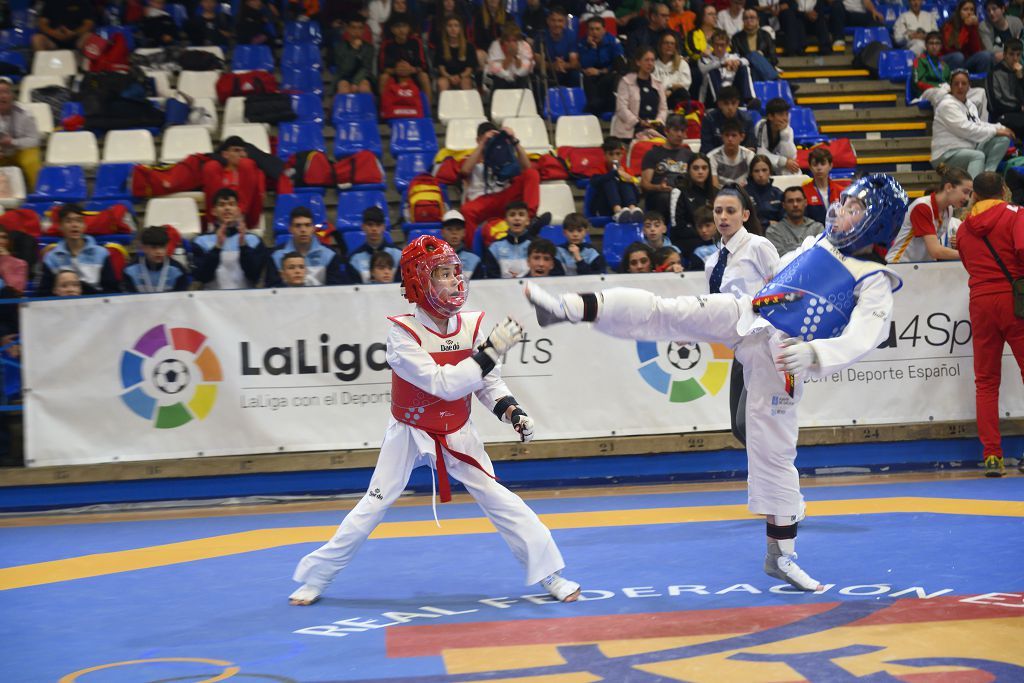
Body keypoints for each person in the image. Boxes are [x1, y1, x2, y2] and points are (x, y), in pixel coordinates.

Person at [525, 174, 910, 592]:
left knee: (775, 454)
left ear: (877, 223)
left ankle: (781, 557)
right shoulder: (817, 242)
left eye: (855, 209)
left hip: (782, 357)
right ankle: (566, 308)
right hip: (748, 311)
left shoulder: (873, 278)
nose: (842, 212)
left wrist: (818, 354)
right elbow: (786, 274)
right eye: (845, 204)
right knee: (666, 311)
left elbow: (866, 334)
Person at [289, 235, 581, 606]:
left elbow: (486, 382)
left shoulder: (472, 325)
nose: (454, 281)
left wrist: (511, 409)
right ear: (419, 281)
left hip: (459, 430)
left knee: (500, 499)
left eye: (455, 271)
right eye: (443, 273)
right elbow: (444, 384)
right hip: (409, 432)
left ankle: (550, 575)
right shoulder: (402, 334)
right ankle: (316, 577)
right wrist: (492, 351)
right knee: (374, 504)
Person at [955, 171, 1024, 477]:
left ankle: (992, 455)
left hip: (980, 302)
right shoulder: (1016, 214)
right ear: (1004, 190)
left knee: (986, 381)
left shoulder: (964, 226)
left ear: (976, 195)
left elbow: (968, 263)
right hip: (1014, 300)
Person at [704, 186, 778, 445]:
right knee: (739, 429)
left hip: (764, 345)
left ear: (745, 215)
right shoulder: (712, 262)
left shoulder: (758, 246)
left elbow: (782, 291)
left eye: (730, 211)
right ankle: (763, 481)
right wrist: (689, 333)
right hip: (739, 350)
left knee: (749, 423)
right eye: (718, 211)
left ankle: (776, 478)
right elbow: (713, 309)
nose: (723, 217)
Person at [460, 122, 540, 247]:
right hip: (482, 201)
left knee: (532, 174)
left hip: (505, 197)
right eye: (486, 138)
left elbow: (527, 167)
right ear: (477, 140)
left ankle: (529, 219)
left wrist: (514, 141)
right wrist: (483, 144)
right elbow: (465, 170)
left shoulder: (504, 153)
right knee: (466, 210)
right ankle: (472, 250)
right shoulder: (471, 157)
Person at [932, 70, 1014, 178]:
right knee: (978, 156)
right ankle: (974, 191)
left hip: (968, 148)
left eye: (964, 83)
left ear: (969, 86)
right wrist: (996, 131)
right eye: (956, 84)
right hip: (946, 154)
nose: (960, 86)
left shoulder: (970, 105)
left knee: (1003, 139)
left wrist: (1002, 128)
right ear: (951, 87)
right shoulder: (947, 105)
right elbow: (966, 129)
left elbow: (979, 124)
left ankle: (988, 175)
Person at [888, 165, 972, 263]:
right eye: (965, 192)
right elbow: (935, 251)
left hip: (922, 265)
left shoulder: (949, 209)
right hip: (900, 264)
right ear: (948, 187)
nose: (967, 198)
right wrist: (969, 255)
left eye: (969, 194)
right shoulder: (922, 207)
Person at [192, 189, 267, 290]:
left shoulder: (254, 240)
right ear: (213, 211)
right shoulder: (200, 241)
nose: (227, 208)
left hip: (246, 300)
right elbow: (203, 277)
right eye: (222, 205)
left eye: (232, 204)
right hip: (211, 302)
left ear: (238, 210)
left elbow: (255, 276)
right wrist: (217, 247)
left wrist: (243, 246)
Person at [38, 203, 119, 296]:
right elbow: (43, 294)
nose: (74, 225)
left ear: (84, 225)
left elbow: (112, 291)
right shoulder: (51, 258)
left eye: (79, 221)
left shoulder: (101, 254)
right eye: (68, 221)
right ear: (60, 226)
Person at [267, 207, 347, 287]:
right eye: (298, 226)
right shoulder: (276, 256)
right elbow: (272, 289)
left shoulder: (330, 255)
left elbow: (335, 289)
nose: (303, 230)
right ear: (290, 229)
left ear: (313, 228)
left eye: (307, 225)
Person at [202, 136, 266, 231]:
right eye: (236, 150)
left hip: (246, 216)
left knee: (247, 164)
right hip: (218, 215)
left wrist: (238, 210)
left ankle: (238, 213)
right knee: (211, 166)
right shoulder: (218, 173)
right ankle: (219, 219)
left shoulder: (256, 172)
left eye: (244, 151)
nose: (242, 154)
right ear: (225, 154)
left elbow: (261, 197)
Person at [640, 114, 694, 218]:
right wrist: (659, 187)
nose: (679, 134)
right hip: (660, 196)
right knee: (665, 198)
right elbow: (645, 184)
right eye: (676, 130)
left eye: (682, 131)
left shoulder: (689, 155)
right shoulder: (653, 154)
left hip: (683, 195)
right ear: (666, 131)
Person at [611, 47, 668, 140]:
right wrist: (638, 122)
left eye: (652, 60)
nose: (650, 63)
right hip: (631, 130)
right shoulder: (626, 81)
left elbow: (663, 109)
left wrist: (657, 122)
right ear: (638, 62)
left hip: (654, 129)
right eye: (646, 60)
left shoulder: (658, 84)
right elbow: (621, 108)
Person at [670, 152, 718, 255]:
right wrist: (703, 232)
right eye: (696, 168)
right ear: (688, 170)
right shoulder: (679, 192)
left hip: (715, 239)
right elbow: (677, 226)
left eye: (704, 168)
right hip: (687, 240)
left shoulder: (716, 193)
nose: (700, 172)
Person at [379, 16, 433, 107]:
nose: (401, 30)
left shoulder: (416, 42)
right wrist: (395, 70)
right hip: (394, 74)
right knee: (383, 77)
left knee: (424, 76)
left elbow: (424, 65)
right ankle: (384, 110)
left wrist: (413, 70)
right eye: (397, 27)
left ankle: (428, 110)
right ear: (392, 30)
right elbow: (382, 67)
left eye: (404, 26)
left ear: (408, 28)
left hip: (412, 74)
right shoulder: (387, 44)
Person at [589, 137, 645, 223]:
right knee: (609, 180)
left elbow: (636, 195)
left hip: (625, 207)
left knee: (625, 182)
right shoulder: (598, 167)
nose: (615, 157)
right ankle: (617, 211)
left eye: (618, 154)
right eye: (611, 154)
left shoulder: (626, 169)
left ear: (622, 155)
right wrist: (614, 173)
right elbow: (594, 182)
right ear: (605, 155)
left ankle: (632, 209)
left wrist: (630, 180)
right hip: (604, 206)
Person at [698, 29, 757, 108]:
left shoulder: (732, 57)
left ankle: (748, 99)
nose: (719, 48)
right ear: (712, 44)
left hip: (732, 91)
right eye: (716, 44)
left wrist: (738, 63)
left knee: (744, 68)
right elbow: (703, 69)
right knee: (711, 71)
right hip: (711, 97)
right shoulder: (705, 58)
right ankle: (719, 103)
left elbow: (746, 61)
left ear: (727, 45)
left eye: (722, 45)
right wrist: (722, 64)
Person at [579, 16, 626, 115]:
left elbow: (620, 64)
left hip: (608, 74)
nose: (594, 32)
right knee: (586, 78)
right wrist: (593, 48)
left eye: (597, 29)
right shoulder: (583, 43)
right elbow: (584, 64)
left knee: (612, 78)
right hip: (590, 76)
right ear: (587, 31)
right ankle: (594, 107)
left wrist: (600, 71)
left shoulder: (613, 42)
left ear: (604, 30)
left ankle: (599, 107)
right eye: (591, 29)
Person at [123, 225, 191, 293]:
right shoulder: (130, 271)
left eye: (163, 247)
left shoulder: (178, 271)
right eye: (154, 247)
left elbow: (182, 298)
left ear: (167, 247)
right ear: (144, 248)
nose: (159, 252)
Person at [0, 79, 41, 190]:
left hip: (21, 150)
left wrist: (13, 142)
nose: (2, 96)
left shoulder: (24, 113)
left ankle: (38, 193)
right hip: (2, 153)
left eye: (6, 92)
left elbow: (34, 139)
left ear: (12, 96)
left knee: (31, 160)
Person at [347, 206, 403, 284]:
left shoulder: (399, 255)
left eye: (378, 225)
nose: (374, 229)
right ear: (363, 227)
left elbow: (403, 286)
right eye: (370, 225)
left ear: (383, 227)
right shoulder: (354, 259)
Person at [483, 201, 537, 278]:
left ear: (528, 220)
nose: (517, 218)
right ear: (506, 221)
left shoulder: (536, 245)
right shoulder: (495, 248)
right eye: (512, 215)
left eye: (521, 214)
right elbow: (492, 279)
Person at [767, 186, 825, 255]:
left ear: (805, 202)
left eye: (799, 200)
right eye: (790, 201)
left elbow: (821, 254)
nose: (795, 204)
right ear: (784, 205)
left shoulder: (817, 228)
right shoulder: (774, 231)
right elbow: (779, 259)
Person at [941, 0, 994, 73]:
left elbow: (976, 50)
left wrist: (973, 28)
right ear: (959, 12)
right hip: (949, 60)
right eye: (965, 9)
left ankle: (982, 83)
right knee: (958, 57)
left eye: (972, 10)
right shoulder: (948, 26)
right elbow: (954, 48)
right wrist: (966, 27)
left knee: (985, 55)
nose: (969, 12)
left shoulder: (972, 27)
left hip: (966, 61)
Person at [700, 85, 756, 154]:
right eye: (726, 103)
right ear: (719, 104)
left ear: (738, 103)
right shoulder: (709, 119)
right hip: (714, 159)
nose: (730, 107)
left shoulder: (747, 120)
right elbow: (706, 148)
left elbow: (750, 148)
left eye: (733, 103)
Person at [730, 8, 780, 83]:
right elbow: (736, 57)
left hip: (764, 71)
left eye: (752, 17)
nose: (749, 20)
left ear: (758, 20)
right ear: (743, 21)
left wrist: (760, 59)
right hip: (746, 70)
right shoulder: (736, 38)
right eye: (746, 18)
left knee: (755, 57)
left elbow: (774, 59)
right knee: (754, 55)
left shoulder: (766, 35)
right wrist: (755, 57)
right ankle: (778, 80)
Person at [987, 38, 1024, 138]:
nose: (1015, 59)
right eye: (1011, 54)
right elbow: (994, 105)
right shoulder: (994, 74)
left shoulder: (1021, 73)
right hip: (1003, 115)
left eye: (1018, 55)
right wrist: (1018, 107)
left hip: (1020, 113)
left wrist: (1020, 79)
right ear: (1004, 55)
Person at [754, 98, 800, 174]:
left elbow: (790, 156)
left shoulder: (788, 130)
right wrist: (783, 161)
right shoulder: (761, 126)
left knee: (792, 168)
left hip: (778, 165)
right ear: (770, 116)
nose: (785, 118)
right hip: (762, 164)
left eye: (787, 114)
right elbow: (760, 153)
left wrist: (784, 134)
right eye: (781, 114)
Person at [540, 5, 582, 87]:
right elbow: (538, 62)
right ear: (548, 21)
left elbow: (574, 61)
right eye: (553, 20)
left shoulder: (571, 36)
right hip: (548, 71)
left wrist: (563, 65)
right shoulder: (541, 36)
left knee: (575, 75)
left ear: (565, 22)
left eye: (560, 21)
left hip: (566, 71)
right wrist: (552, 65)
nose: (556, 24)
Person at [435, 15, 478, 92]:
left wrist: (459, 76)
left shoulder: (469, 46)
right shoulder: (440, 46)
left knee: (466, 83)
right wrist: (449, 77)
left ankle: (466, 104)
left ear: (460, 29)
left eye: (456, 26)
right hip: (446, 76)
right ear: (446, 29)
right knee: (441, 83)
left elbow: (469, 69)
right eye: (450, 26)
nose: (453, 29)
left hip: (463, 76)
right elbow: (441, 68)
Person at [709, 118, 758, 186]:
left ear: (742, 137)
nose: (730, 139)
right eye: (727, 135)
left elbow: (755, 181)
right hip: (721, 195)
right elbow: (714, 186)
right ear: (722, 137)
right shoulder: (712, 157)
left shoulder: (749, 155)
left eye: (734, 135)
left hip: (744, 194)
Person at [803, 147, 845, 226]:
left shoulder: (841, 191)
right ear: (810, 167)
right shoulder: (803, 192)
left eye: (823, 164)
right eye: (815, 164)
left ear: (830, 165)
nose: (819, 168)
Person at [334, 16, 375, 95]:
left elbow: (366, 68)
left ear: (363, 30)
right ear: (348, 29)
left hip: (363, 77)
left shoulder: (369, 48)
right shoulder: (340, 47)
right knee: (343, 88)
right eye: (353, 28)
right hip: (344, 77)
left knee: (364, 87)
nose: (357, 31)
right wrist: (354, 50)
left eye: (360, 28)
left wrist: (355, 82)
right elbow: (344, 69)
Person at [487, 23, 535, 90]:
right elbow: (495, 69)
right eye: (508, 41)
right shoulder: (495, 45)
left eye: (514, 40)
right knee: (500, 81)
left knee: (523, 80)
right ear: (503, 40)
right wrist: (509, 56)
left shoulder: (525, 46)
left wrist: (515, 56)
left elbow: (526, 68)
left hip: (520, 81)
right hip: (501, 82)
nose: (511, 44)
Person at [655, 32, 694, 110]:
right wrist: (670, 87)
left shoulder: (682, 64)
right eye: (666, 43)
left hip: (677, 99)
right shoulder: (654, 64)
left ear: (675, 47)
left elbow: (684, 85)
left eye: (672, 44)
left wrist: (670, 89)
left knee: (681, 92)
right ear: (660, 46)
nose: (669, 46)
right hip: (658, 99)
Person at [912, 32, 952, 98]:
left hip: (943, 91)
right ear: (926, 45)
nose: (934, 46)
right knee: (944, 94)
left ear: (941, 46)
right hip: (926, 93)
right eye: (931, 43)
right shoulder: (920, 61)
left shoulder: (944, 64)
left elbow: (949, 81)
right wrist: (938, 88)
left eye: (937, 43)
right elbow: (918, 83)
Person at [747, 155, 784, 225]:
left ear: (770, 171)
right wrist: (767, 223)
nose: (761, 174)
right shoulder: (743, 193)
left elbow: (785, 218)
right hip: (751, 232)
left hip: (775, 232)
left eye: (764, 170)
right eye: (756, 171)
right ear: (751, 173)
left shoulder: (778, 194)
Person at [474, 0, 507, 65]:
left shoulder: (508, 17)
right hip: (487, 51)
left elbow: (511, 35)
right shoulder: (479, 16)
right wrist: (493, 47)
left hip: (504, 50)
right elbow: (478, 40)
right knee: (479, 55)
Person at [685, 206, 720, 270]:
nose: (703, 230)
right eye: (700, 227)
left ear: (717, 224)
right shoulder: (697, 251)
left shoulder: (728, 244)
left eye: (708, 225)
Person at [0, 226, 27, 295]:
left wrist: (7, 261)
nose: (0, 241)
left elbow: (16, 291)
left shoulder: (20, 264)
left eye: (4, 237)